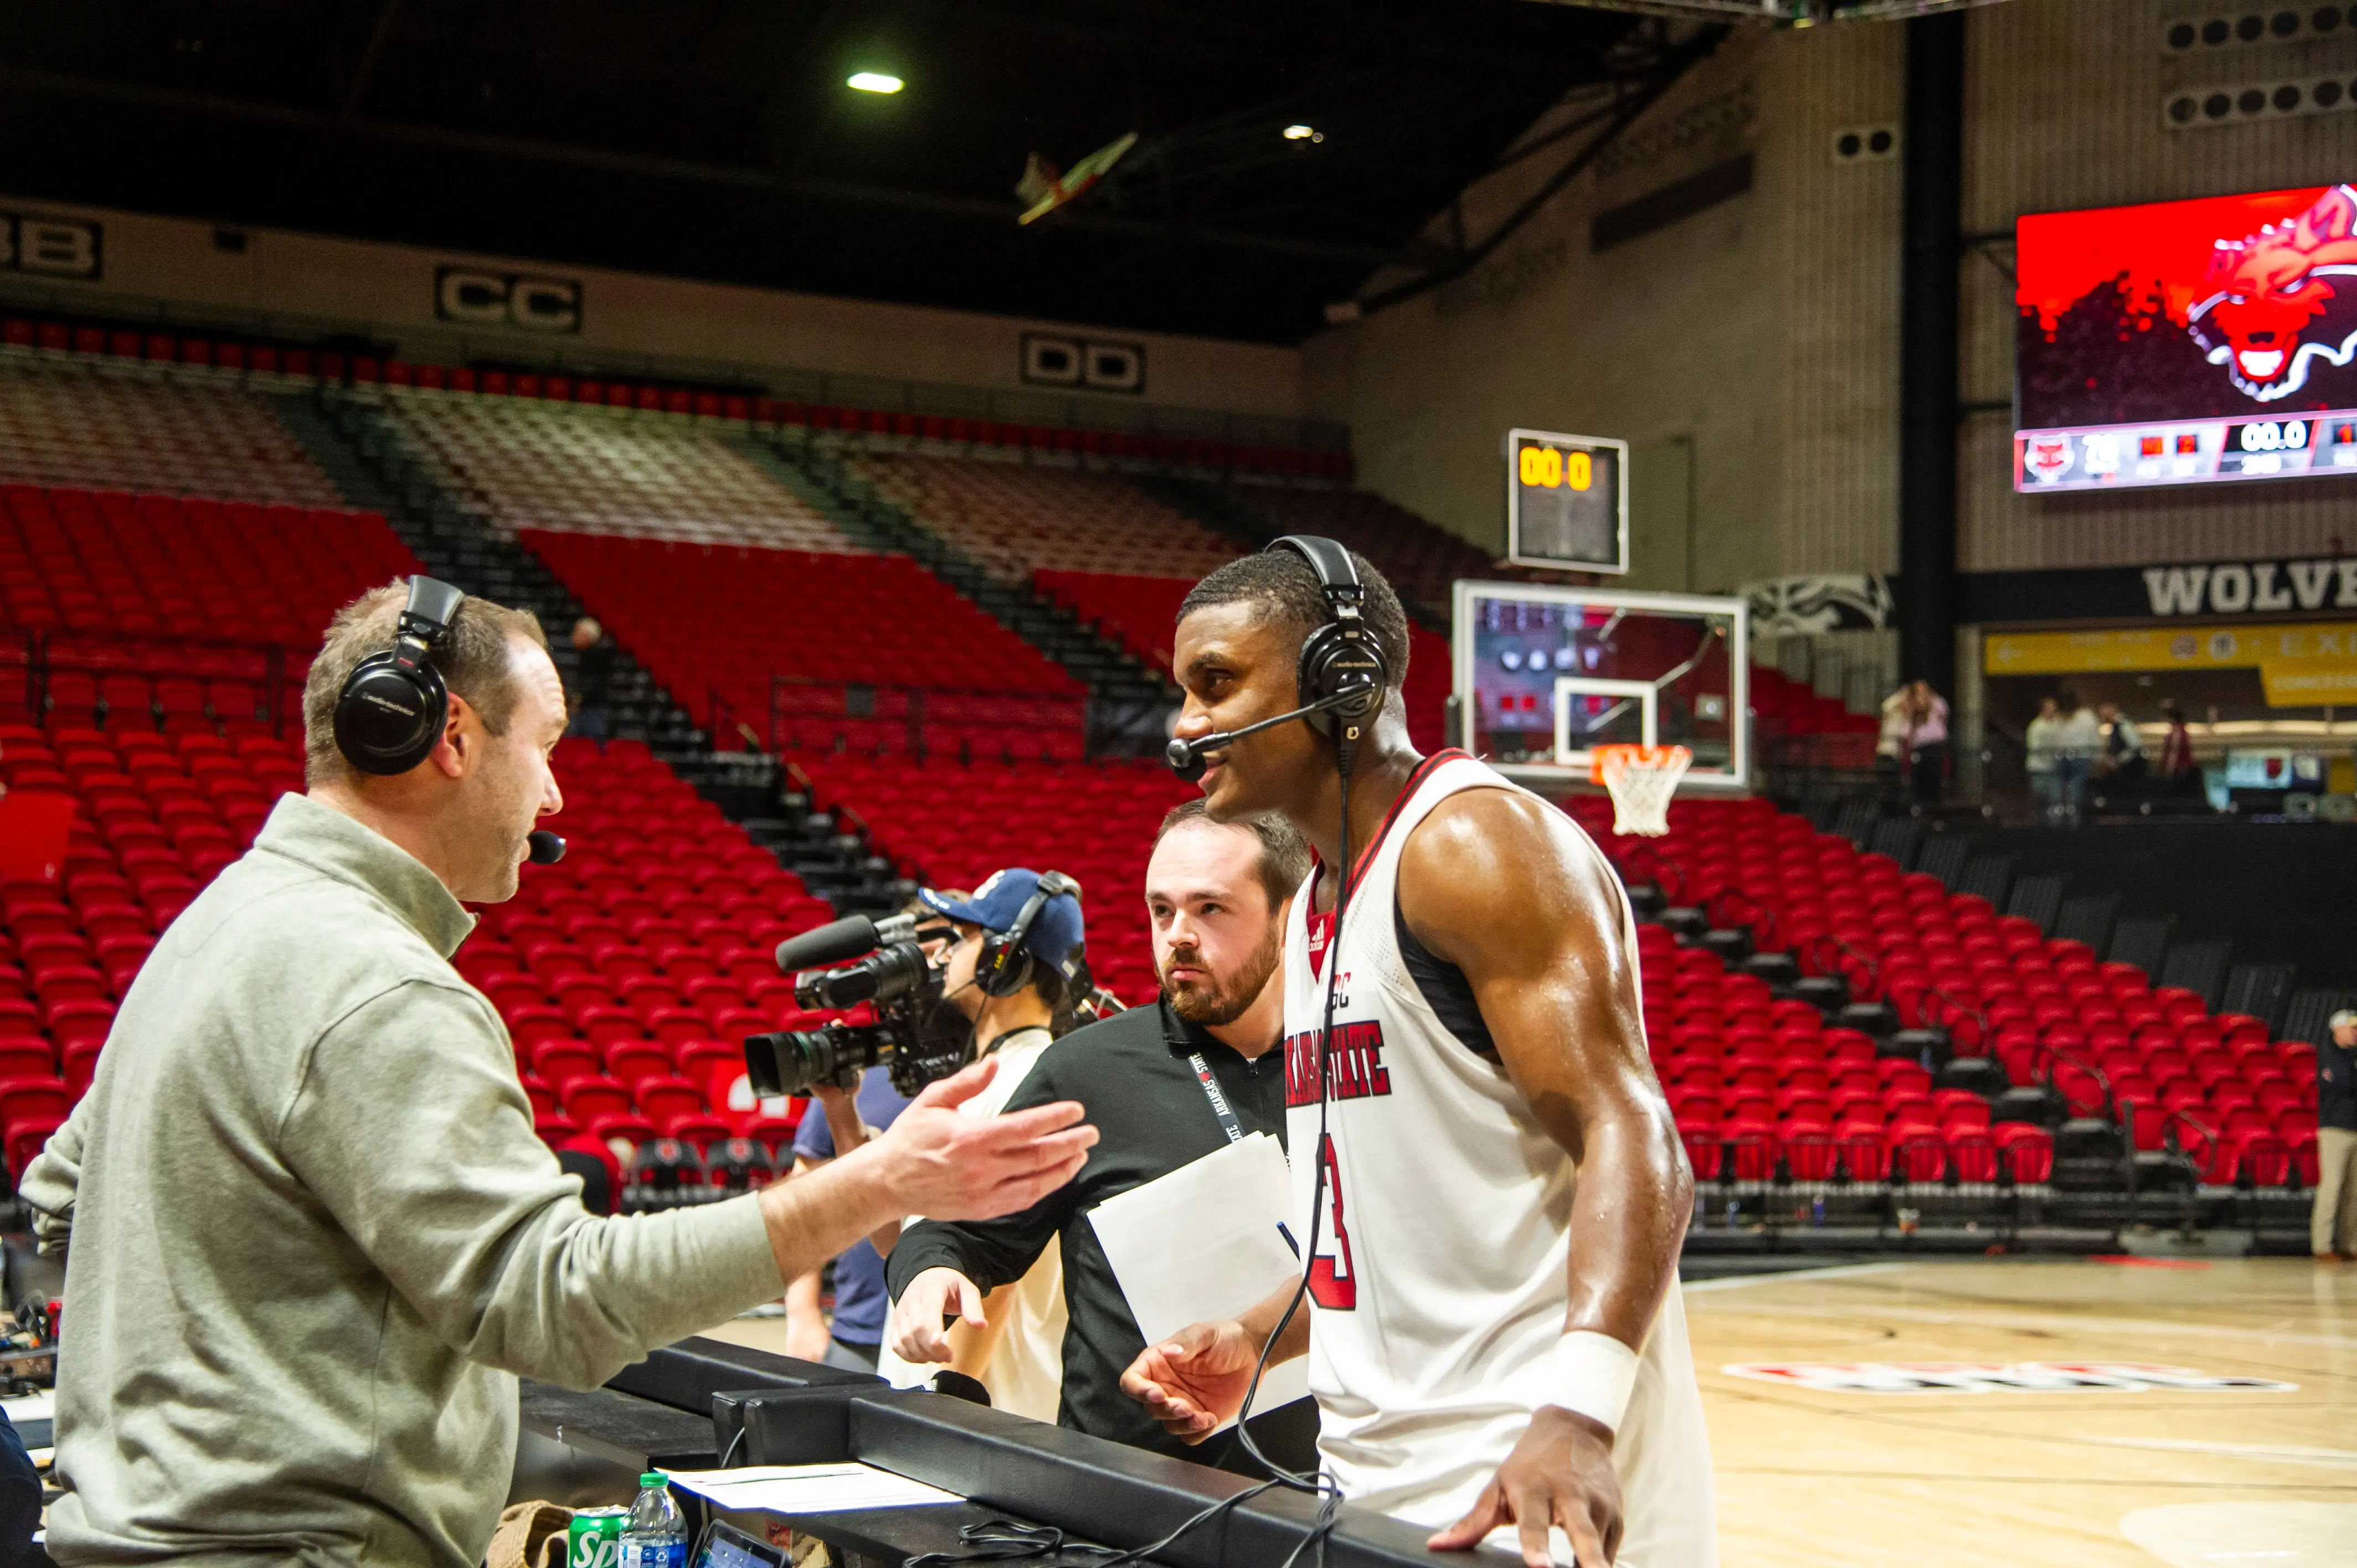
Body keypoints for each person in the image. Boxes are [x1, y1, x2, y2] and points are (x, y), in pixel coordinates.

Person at [18, 581, 1099, 1568]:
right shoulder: (373, 984)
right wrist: (880, 1184)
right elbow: (553, 1301)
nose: (555, 802)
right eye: (544, 749)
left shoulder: (215, 925)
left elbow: (60, 1201)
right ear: (447, 736)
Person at [1123, 544, 1713, 1568]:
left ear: (1339, 679)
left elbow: (1632, 1129)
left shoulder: (1469, 847)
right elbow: (1398, 1234)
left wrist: (1580, 1412)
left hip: (1530, 1485)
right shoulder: (1311, 904)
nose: (1186, 726)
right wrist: (1257, 1337)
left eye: (1217, 684)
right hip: (1371, 1482)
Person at [884, 803, 1320, 1473]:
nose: (1177, 935)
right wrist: (931, 1271)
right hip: (1120, 1503)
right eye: (1161, 911)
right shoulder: (1085, 1070)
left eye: (1210, 909)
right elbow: (959, 1232)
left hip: (1326, 1503)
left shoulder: (1357, 1061)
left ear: (1289, 915)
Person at [854, 869, 1090, 1415]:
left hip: (978, 1409)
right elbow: (902, 1243)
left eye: (965, 938)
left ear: (1002, 964)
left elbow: (996, 1277)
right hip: (963, 1400)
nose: (945, 956)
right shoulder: (992, 1076)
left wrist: (948, 1408)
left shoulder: (1027, 1083)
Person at [2314, 1009, 2357, 1262]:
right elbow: (2342, 1083)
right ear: (2337, 1030)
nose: (2355, 1033)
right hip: (2334, 1129)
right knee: (2331, 1187)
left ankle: (2349, 1244)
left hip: (2355, 1126)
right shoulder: (2328, 1056)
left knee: (2355, 1191)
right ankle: (2322, 1245)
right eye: (2351, 1028)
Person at [2050, 687, 2102, 824]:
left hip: (2065, 757)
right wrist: (2097, 757)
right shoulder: (2087, 716)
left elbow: (2054, 739)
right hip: (2081, 757)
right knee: (2075, 789)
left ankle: (2061, 821)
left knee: (2062, 791)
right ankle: (2073, 820)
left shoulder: (2057, 719)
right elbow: (2094, 739)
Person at [1897, 681, 1948, 806]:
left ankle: (1936, 804)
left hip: (1935, 745)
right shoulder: (1911, 709)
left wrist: (1930, 699)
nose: (1921, 695)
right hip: (1919, 747)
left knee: (1935, 775)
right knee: (1920, 777)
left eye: (1924, 691)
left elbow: (1944, 710)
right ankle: (1920, 804)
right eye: (1918, 692)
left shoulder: (1935, 705)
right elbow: (1905, 730)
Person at [568, 615, 614, 742]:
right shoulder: (585, 655)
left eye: (577, 633)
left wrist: (578, 698)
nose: (574, 636)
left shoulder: (595, 656)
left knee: (591, 742)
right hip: (589, 703)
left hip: (592, 705)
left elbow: (592, 682)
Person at [2025, 695, 2062, 824]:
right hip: (2039, 769)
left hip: (2054, 770)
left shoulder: (2057, 724)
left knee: (2056, 800)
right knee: (2040, 801)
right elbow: (2034, 747)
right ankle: (2040, 827)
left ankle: (2055, 827)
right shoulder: (2036, 727)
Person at [2094, 701, 2148, 781]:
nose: (2101, 717)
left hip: (2131, 768)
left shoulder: (2124, 726)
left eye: (2103, 714)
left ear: (2111, 712)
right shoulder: (2118, 726)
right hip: (2129, 767)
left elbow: (2135, 746)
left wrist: (2118, 761)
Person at [2159, 700, 2195, 782]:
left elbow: (2174, 752)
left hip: (2179, 769)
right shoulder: (2181, 730)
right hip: (2182, 768)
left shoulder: (2177, 732)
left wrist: (2168, 771)